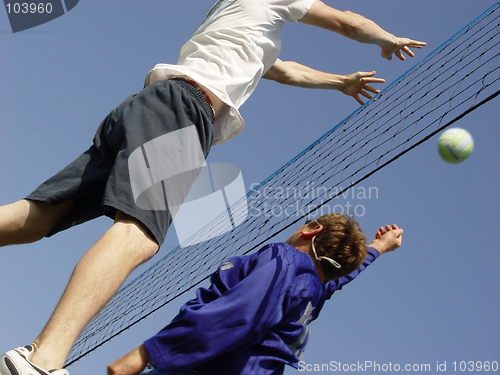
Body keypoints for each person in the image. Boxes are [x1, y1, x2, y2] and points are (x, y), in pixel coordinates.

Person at [0, 1, 424, 374]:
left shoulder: (244, 20)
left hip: (152, 104)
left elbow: (286, 70)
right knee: (139, 237)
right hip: (184, 110)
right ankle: (41, 360)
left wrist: (340, 82)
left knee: (38, 217)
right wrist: (387, 38)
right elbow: (347, 22)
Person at [107, 214, 404, 375]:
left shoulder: (286, 259)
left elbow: (239, 315)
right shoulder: (315, 289)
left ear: (313, 229)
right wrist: (379, 247)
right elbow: (341, 278)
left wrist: (147, 353)